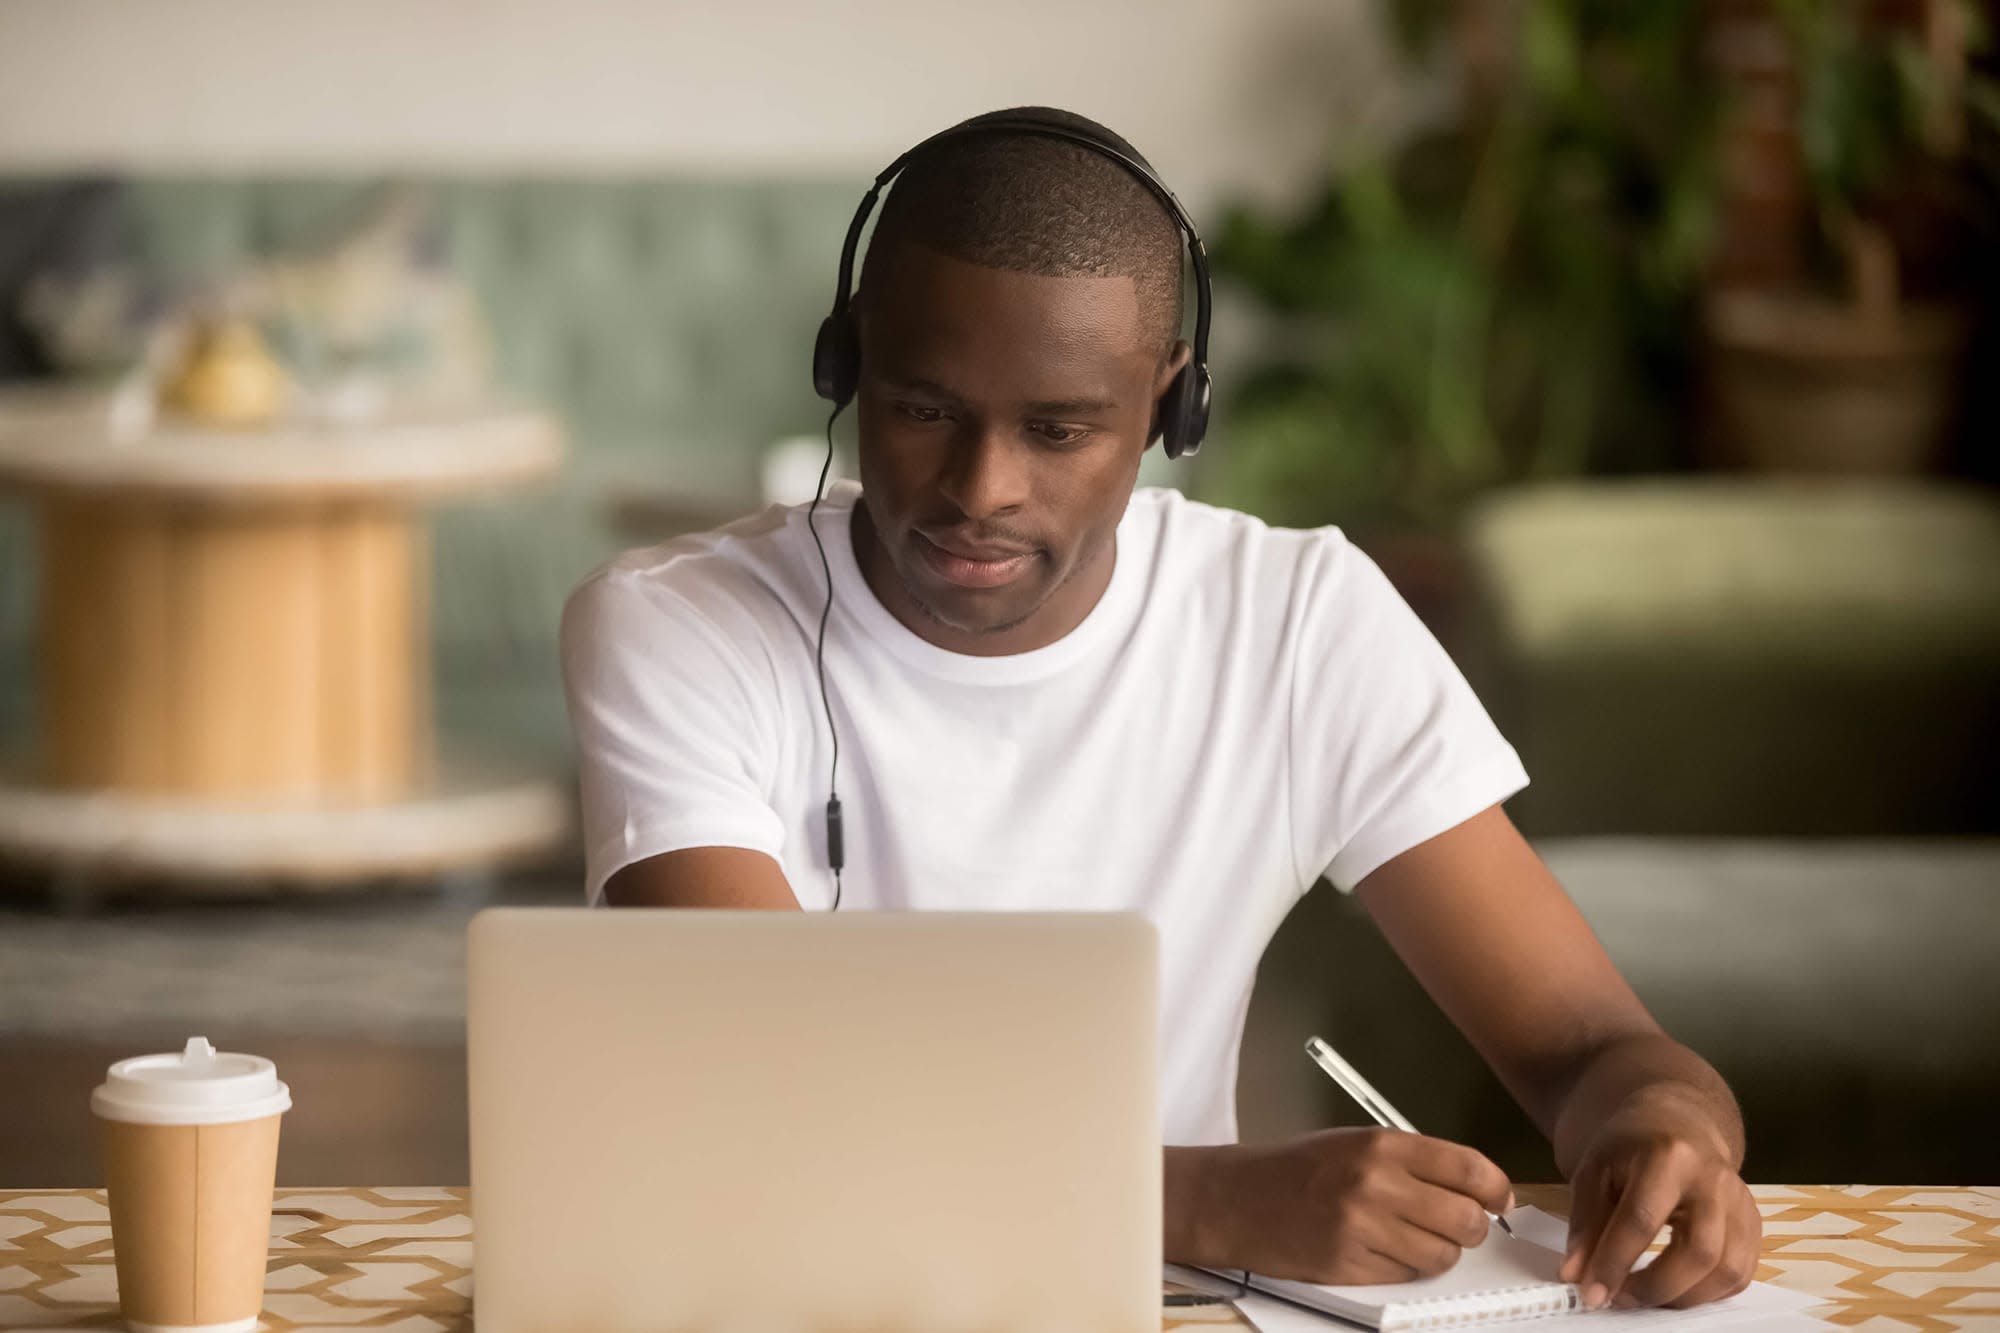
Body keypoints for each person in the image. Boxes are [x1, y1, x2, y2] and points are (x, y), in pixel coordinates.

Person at [560, 106, 1760, 1312]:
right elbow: (753, 1106)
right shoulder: (677, 625)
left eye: (1057, 429)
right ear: (847, 365)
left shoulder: (1296, 624)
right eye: (924, 410)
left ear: (1169, 409)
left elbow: (1591, 1050)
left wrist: (1667, 1127)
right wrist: (1203, 1200)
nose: (982, 489)